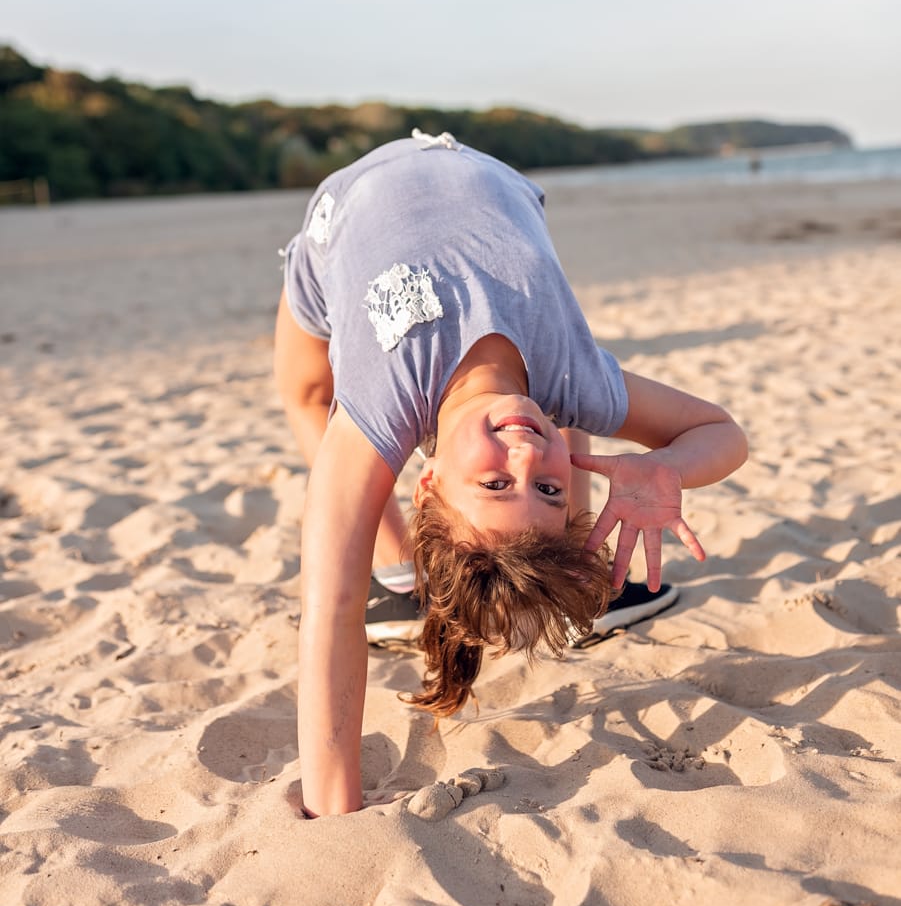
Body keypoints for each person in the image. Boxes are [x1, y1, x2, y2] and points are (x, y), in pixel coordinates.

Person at [274, 131, 748, 818]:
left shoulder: (380, 399)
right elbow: (722, 433)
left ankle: (397, 572)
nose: (524, 457)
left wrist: (332, 806)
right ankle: (581, 574)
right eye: (548, 491)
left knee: (310, 395)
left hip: (344, 214)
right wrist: (661, 466)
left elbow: (331, 609)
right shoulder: (571, 379)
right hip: (489, 175)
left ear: (426, 480)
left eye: (495, 486)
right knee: (560, 417)